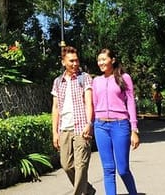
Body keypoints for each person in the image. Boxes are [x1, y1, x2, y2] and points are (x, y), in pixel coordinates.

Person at [92, 48, 139, 195]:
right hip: (100, 126)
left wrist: (134, 129)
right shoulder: (96, 81)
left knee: (123, 169)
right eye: (99, 60)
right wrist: (90, 124)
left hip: (120, 125)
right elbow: (94, 104)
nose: (101, 63)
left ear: (112, 60)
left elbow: (131, 103)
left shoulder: (124, 78)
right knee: (108, 169)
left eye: (104, 59)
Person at [51, 45, 96, 195]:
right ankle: (88, 190)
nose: (75, 64)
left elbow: (89, 103)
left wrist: (89, 124)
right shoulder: (58, 82)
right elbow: (56, 108)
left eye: (76, 60)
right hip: (65, 129)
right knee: (66, 165)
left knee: (81, 165)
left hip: (81, 128)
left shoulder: (85, 78)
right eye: (71, 61)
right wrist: (55, 133)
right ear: (63, 62)